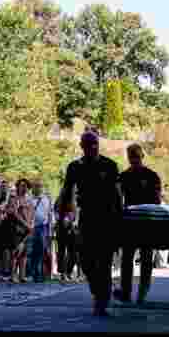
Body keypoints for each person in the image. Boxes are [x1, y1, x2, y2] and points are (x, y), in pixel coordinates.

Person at [60, 131, 123, 317]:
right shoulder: (75, 167)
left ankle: (101, 302)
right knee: (86, 261)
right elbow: (67, 192)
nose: (92, 147)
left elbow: (117, 195)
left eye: (94, 143)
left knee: (103, 262)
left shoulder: (109, 165)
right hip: (86, 218)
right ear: (82, 146)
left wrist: (119, 221)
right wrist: (65, 215)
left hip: (107, 219)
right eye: (88, 144)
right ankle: (98, 292)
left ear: (98, 144)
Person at [115, 144, 162, 305]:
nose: (134, 159)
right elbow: (118, 200)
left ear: (141, 156)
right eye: (132, 156)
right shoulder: (125, 176)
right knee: (131, 259)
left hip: (141, 223)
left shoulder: (149, 176)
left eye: (135, 156)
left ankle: (137, 293)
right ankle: (132, 293)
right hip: (135, 223)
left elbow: (157, 202)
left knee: (140, 259)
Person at [27, 179, 54, 283]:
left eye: (40, 186)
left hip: (44, 227)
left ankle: (40, 274)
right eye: (36, 186)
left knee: (42, 250)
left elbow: (50, 214)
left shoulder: (46, 199)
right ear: (33, 188)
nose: (38, 188)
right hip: (32, 227)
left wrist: (50, 230)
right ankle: (32, 273)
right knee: (32, 250)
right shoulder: (29, 199)